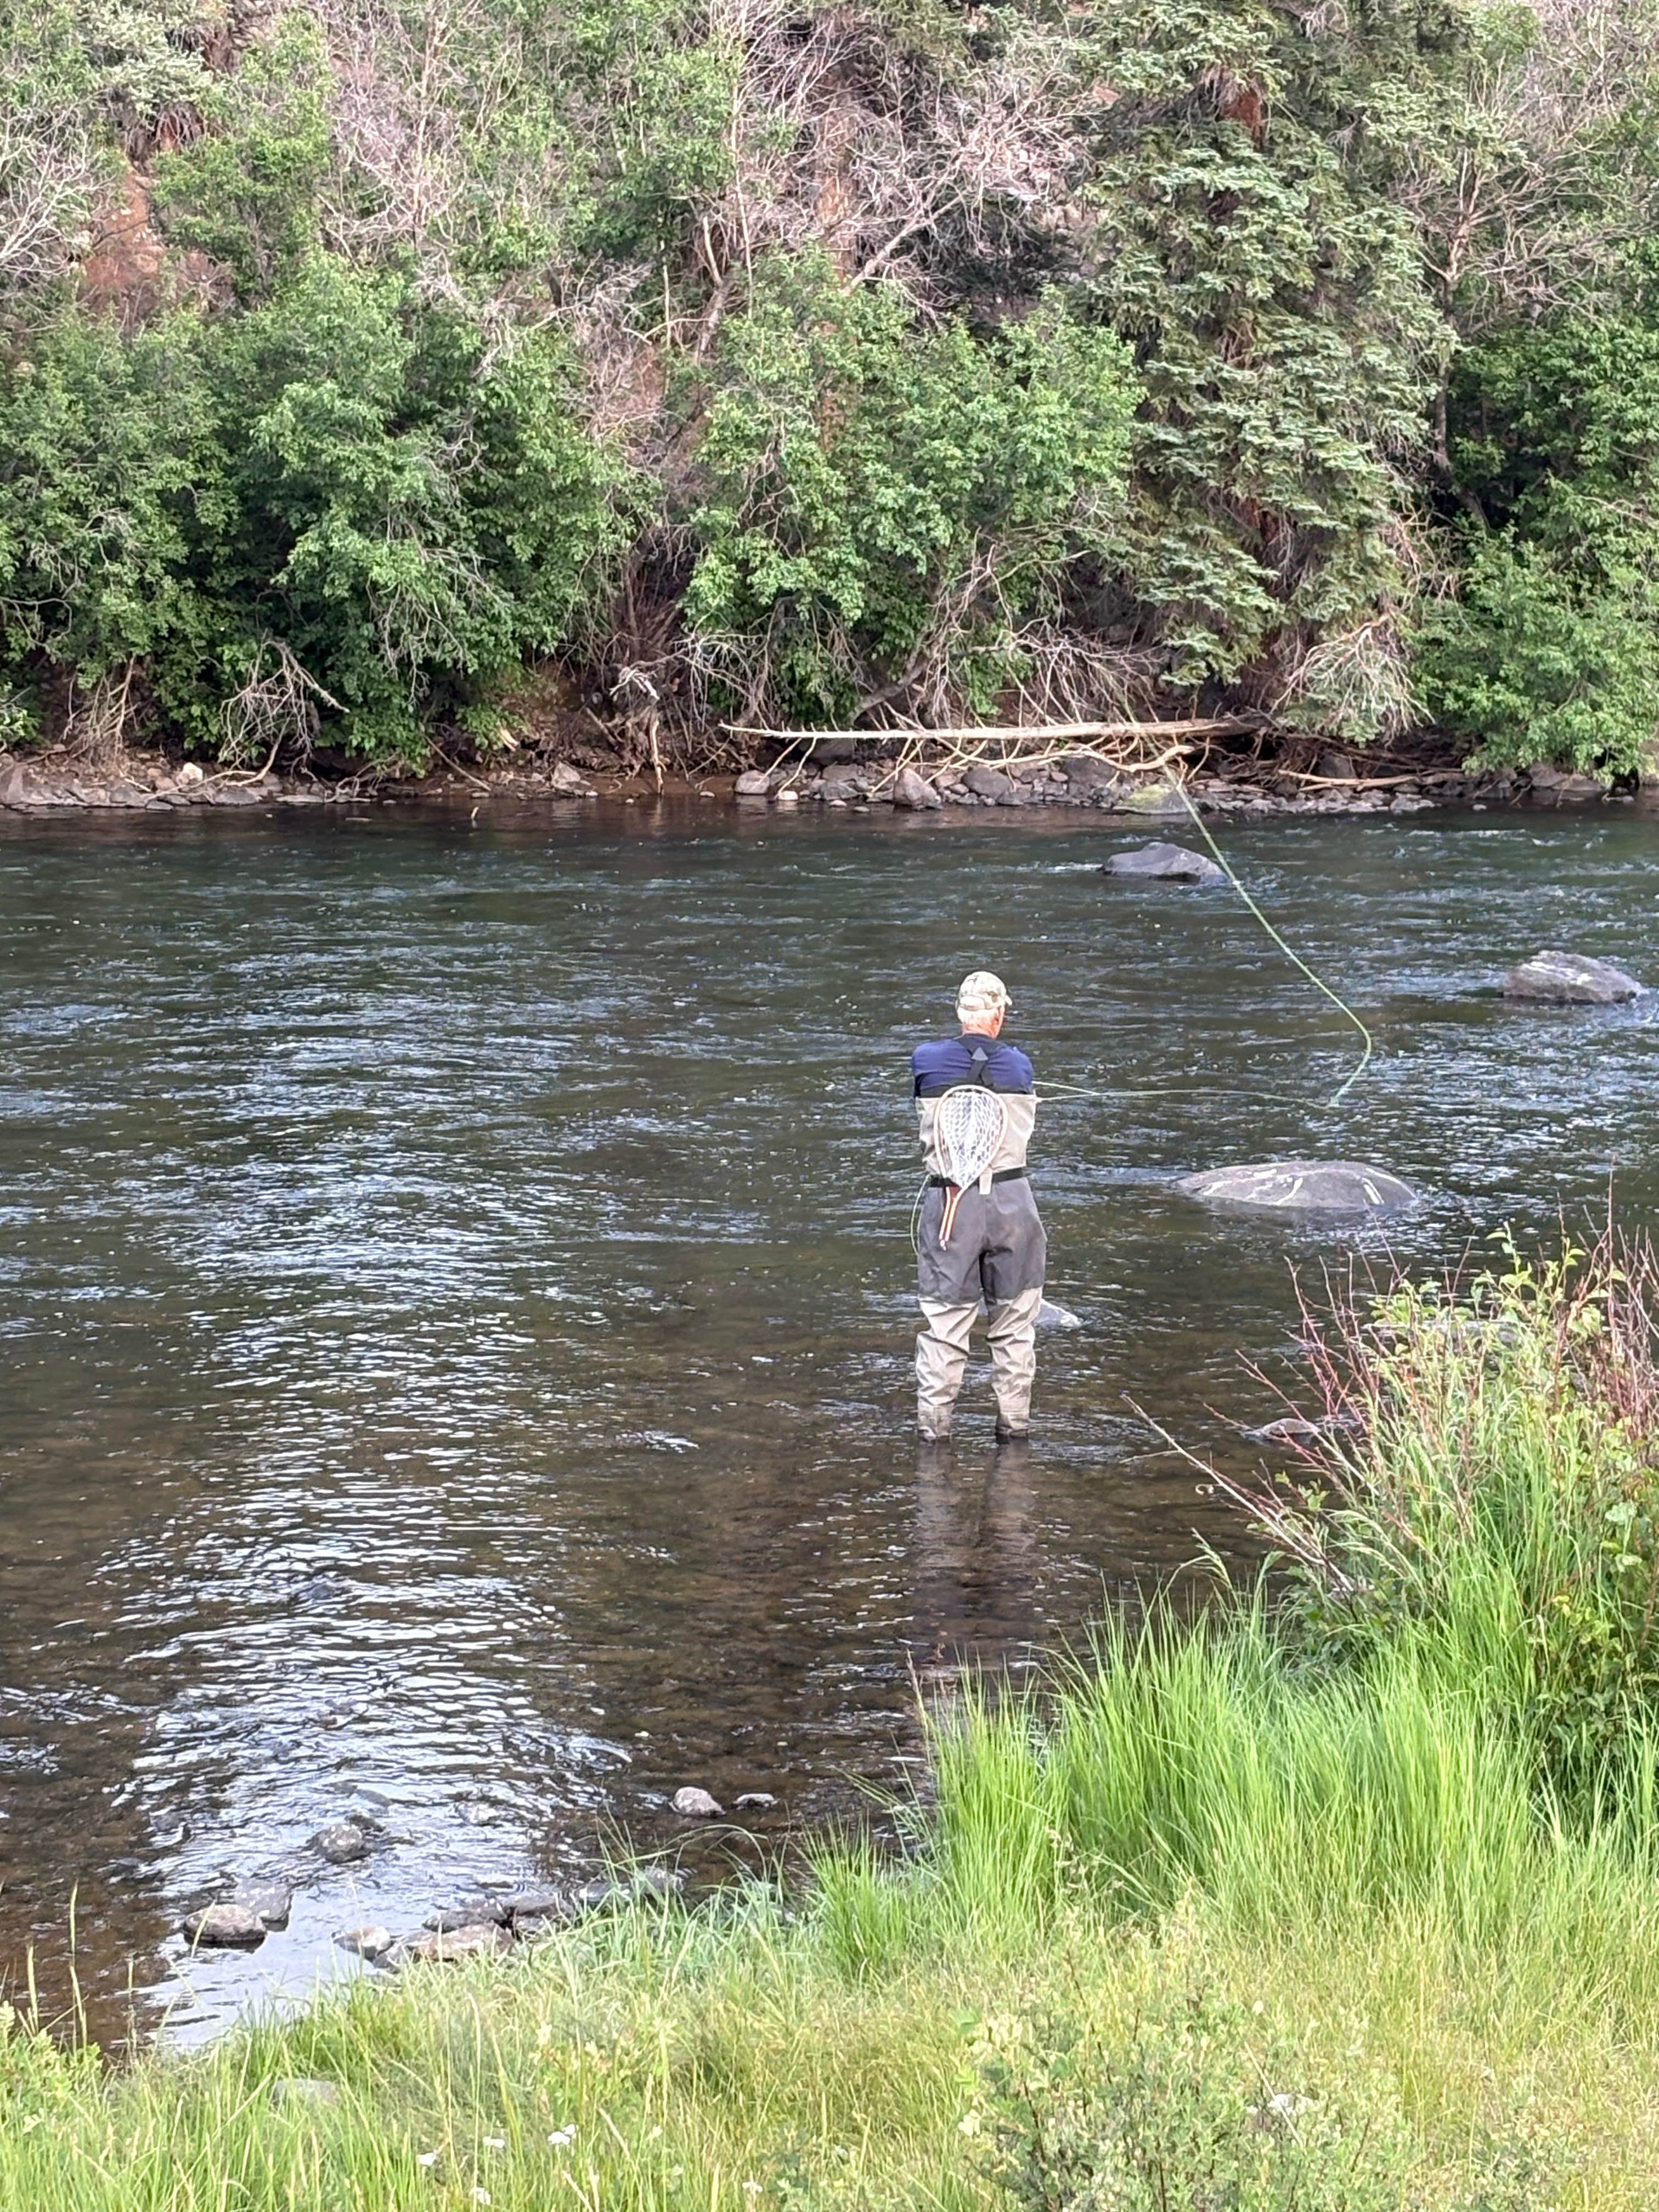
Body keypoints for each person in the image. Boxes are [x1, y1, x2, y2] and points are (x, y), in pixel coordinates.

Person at [910, 971, 1046, 1443]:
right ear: (1000, 1014)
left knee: (946, 1325)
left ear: (960, 1012)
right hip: (1013, 1205)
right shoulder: (1021, 1066)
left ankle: (934, 1439)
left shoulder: (925, 1060)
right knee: (1014, 1325)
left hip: (951, 1205)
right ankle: (1015, 1433)